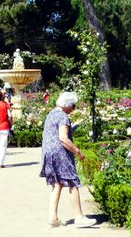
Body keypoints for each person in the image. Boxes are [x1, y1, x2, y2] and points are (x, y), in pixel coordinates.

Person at [39, 92, 96, 228]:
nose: (74, 108)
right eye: (73, 105)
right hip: (60, 154)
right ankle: (79, 217)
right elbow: (63, 138)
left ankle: (53, 217)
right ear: (68, 105)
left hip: (48, 153)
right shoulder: (63, 116)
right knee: (72, 182)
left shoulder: (51, 114)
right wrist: (78, 152)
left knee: (56, 184)